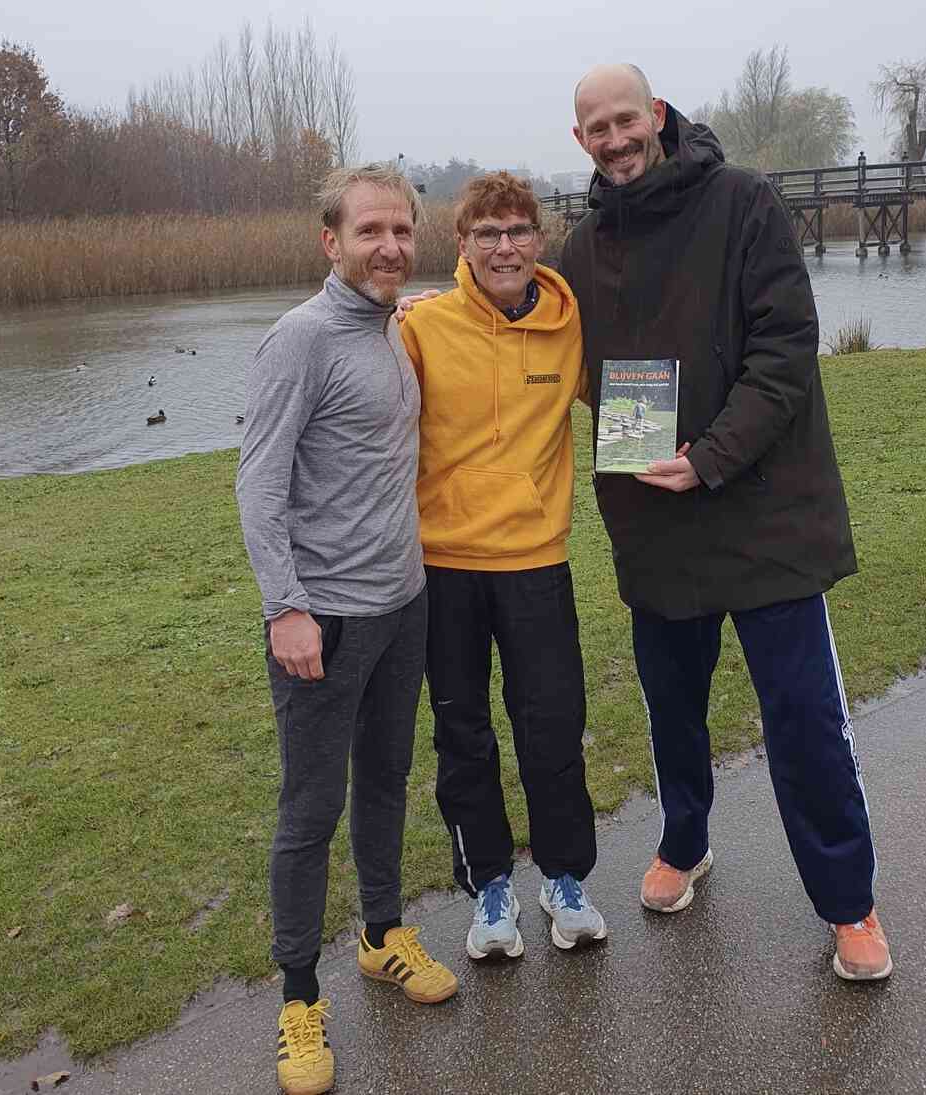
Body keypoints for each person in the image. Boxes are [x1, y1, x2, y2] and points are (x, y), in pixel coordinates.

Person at [560, 64, 892, 981]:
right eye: (597, 128)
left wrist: (710, 455)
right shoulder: (581, 248)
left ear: (657, 116)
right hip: (654, 523)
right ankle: (684, 841)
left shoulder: (745, 203)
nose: (616, 138)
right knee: (673, 712)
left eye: (628, 119)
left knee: (805, 719)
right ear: (580, 140)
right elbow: (530, 335)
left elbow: (786, 352)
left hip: (766, 516)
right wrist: (448, 315)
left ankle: (849, 903)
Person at [236, 164, 457, 1095]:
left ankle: (379, 934)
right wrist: (285, 606)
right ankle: (297, 997)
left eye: (402, 231)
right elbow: (258, 482)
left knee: (387, 783)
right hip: (321, 619)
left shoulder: (392, 327)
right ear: (332, 241)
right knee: (309, 809)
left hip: (403, 606)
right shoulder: (301, 339)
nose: (390, 246)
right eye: (370, 231)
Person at [398, 172, 606, 960]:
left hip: (535, 559)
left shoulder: (569, 325)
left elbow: (629, 398)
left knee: (551, 727)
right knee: (464, 734)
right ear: (463, 245)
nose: (504, 246)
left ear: (539, 238)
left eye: (518, 230)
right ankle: (489, 885)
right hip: (442, 566)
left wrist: (685, 457)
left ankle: (564, 877)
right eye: (487, 234)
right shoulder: (423, 326)